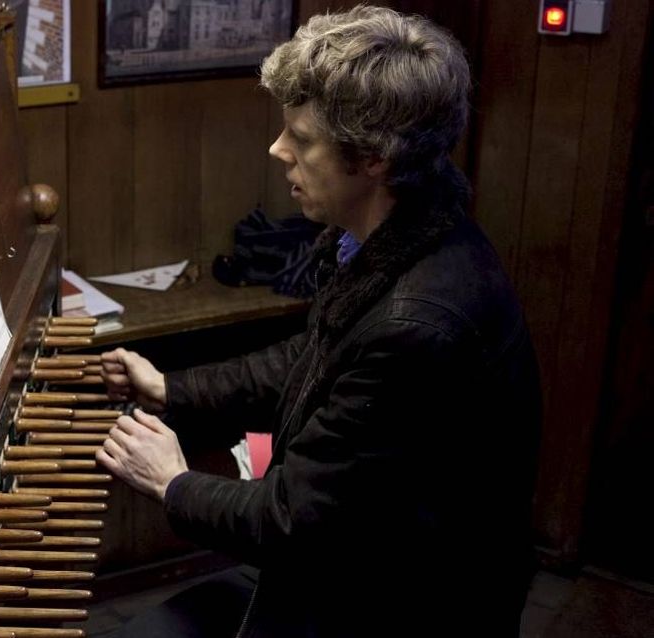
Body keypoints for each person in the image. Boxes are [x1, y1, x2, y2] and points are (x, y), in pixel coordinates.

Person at [95, 5, 541, 637]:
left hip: (398, 609)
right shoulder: (398, 234)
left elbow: (292, 522)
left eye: (301, 138)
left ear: (374, 158)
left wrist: (171, 481)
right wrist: (174, 388)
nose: (277, 150)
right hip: (345, 575)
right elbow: (313, 361)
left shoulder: (416, 323)